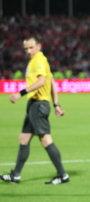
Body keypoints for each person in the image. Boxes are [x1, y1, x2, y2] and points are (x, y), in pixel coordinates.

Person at [1, 37, 69, 185]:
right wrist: (56, 104)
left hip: (38, 105)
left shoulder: (39, 60)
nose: (28, 51)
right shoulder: (37, 60)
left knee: (45, 140)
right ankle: (16, 175)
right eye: (26, 49)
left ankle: (63, 175)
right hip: (33, 105)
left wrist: (20, 93)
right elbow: (51, 83)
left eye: (31, 47)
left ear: (39, 46)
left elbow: (42, 82)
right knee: (24, 139)